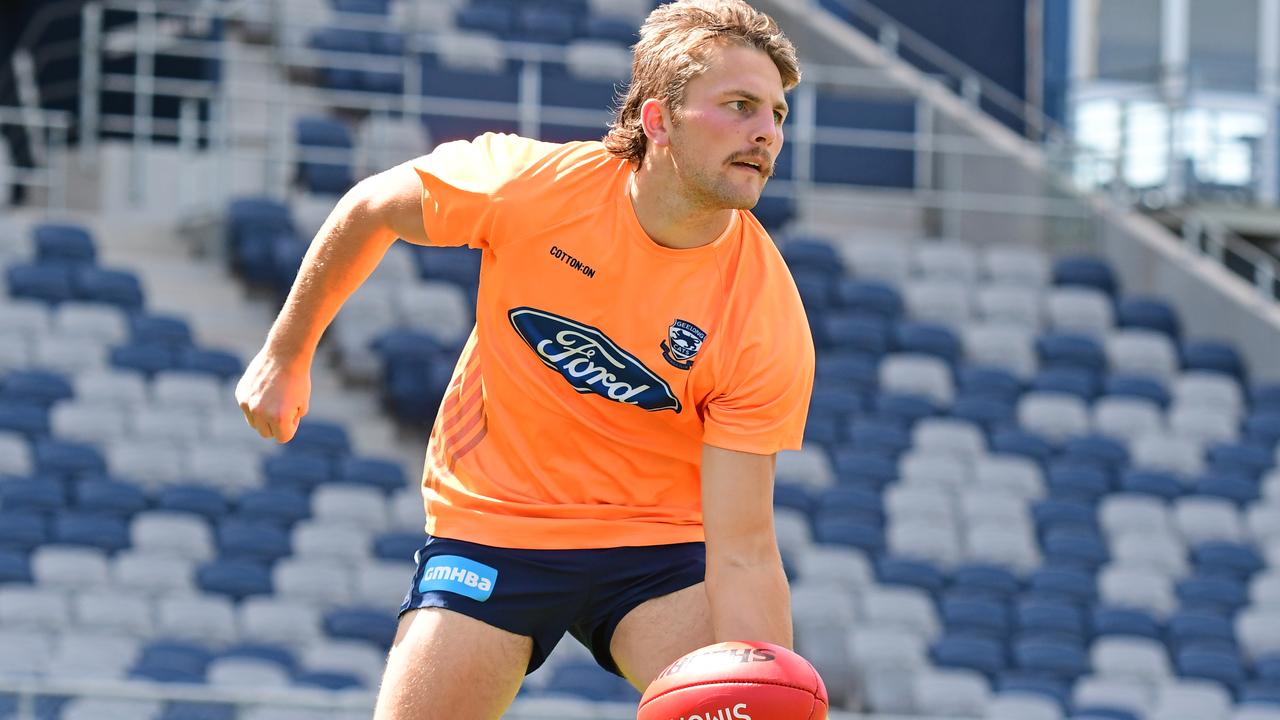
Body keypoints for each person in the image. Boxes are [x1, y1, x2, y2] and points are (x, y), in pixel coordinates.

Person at [235, 1, 814, 717]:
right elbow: (372, 206)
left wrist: (765, 695)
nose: (768, 132)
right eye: (740, 105)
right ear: (658, 121)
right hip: (495, 525)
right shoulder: (531, 188)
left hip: (658, 551)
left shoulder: (764, 313)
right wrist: (286, 353)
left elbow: (745, 550)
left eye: (779, 115)